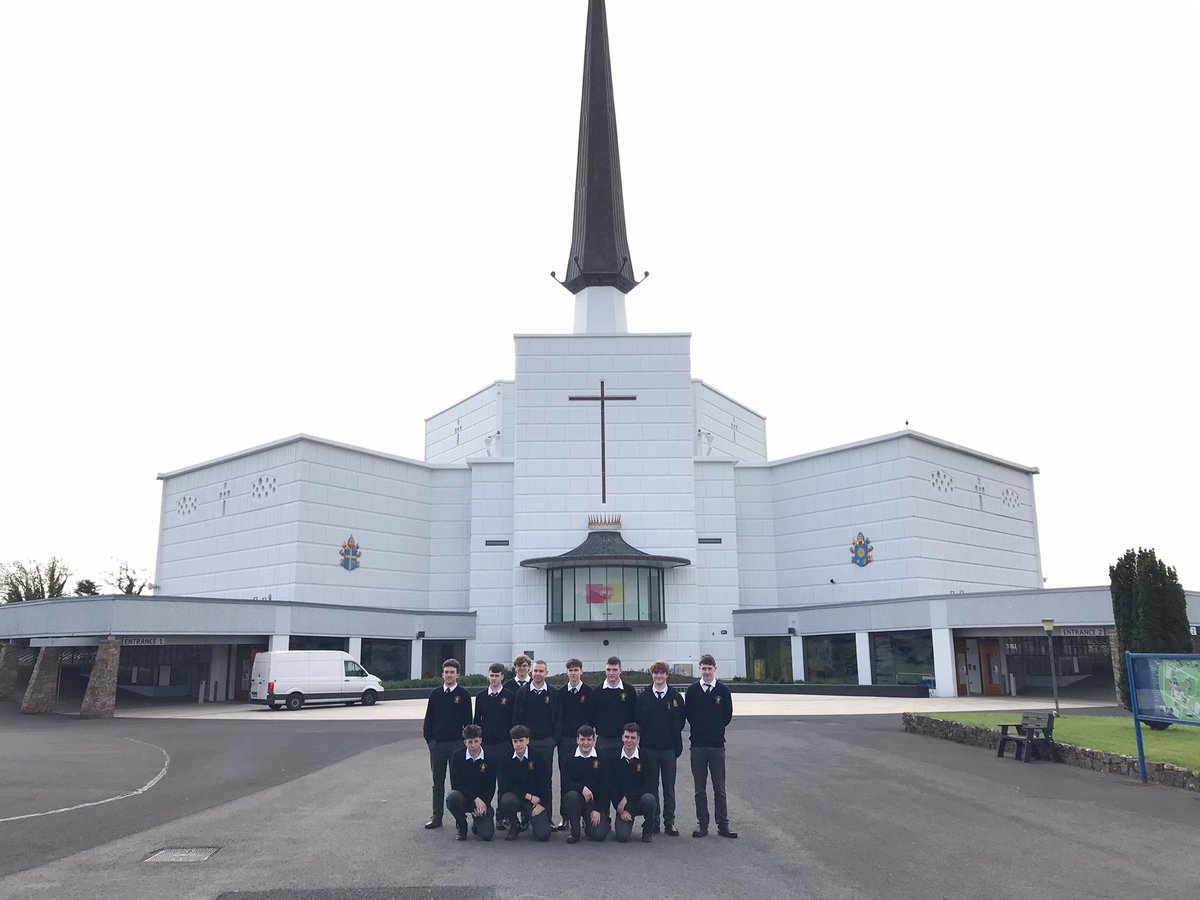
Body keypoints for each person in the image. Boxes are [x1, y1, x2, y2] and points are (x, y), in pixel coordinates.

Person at [684, 653, 738, 838]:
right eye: (703, 668)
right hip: (698, 746)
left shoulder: (723, 691)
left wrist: (715, 729)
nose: (706, 672)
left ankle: (723, 825)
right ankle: (703, 824)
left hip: (716, 746)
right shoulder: (692, 691)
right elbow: (689, 715)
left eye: (709, 668)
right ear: (699, 669)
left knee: (719, 788)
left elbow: (727, 716)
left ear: (715, 669)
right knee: (700, 788)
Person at [422, 657, 473, 829]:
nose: (449, 675)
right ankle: (437, 817)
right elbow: (429, 719)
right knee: (438, 782)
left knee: (458, 782)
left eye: (452, 672)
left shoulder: (464, 695)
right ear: (442, 674)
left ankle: (460, 819)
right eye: (446, 672)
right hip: (437, 745)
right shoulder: (435, 694)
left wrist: (465, 743)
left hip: (457, 745)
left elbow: (468, 722)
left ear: (458, 674)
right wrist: (430, 741)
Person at [635, 659, 685, 835]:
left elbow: (680, 722)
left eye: (662, 673)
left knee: (669, 788)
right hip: (649, 749)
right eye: (656, 673)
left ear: (667, 675)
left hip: (669, 750)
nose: (658, 676)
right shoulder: (643, 698)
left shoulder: (676, 698)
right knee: (651, 787)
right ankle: (653, 821)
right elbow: (638, 721)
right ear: (652, 675)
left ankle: (669, 822)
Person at [513, 659, 562, 828]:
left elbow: (558, 718)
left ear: (546, 673)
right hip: (528, 743)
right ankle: (526, 818)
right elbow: (517, 718)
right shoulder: (522, 693)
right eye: (535, 671)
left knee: (545, 780)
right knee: (526, 779)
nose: (538, 674)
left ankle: (546, 816)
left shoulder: (554, 694)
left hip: (547, 743)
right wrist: (522, 740)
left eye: (541, 671)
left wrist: (554, 739)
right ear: (530, 672)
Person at [474, 662, 516, 831]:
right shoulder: (481, 696)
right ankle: (480, 814)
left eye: (497, 675)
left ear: (502, 677)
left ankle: (501, 816)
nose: (494, 678)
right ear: (488, 676)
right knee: (484, 781)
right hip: (486, 747)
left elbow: (513, 722)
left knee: (503, 782)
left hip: (504, 745)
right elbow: (477, 722)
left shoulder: (510, 696)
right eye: (491, 675)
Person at [497, 724, 552, 842]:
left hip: (535, 801)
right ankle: (514, 825)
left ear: (527, 740)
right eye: (515, 741)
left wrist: (541, 803)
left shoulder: (538, 756)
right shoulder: (506, 759)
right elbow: (505, 785)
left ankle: (528, 818)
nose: (518, 744)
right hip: (517, 798)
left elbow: (546, 782)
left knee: (543, 836)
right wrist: (527, 796)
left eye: (521, 740)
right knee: (506, 800)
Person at [556, 657, 593, 824]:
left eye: (576, 670)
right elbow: (558, 717)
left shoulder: (589, 692)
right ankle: (566, 817)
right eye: (570, 670)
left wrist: (588, 740)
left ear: (581, 671)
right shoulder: (560, 693)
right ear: (567, 672)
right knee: (566, 779)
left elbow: (592, 716)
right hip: (565, 741)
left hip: (585, 742)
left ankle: (586, 814)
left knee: (587, 777)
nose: (573, 673)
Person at [445, 724, 496, 841]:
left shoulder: (490, 759)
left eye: (476, 741)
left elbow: (491, 786)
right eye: (470, 742)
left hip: (482, 801)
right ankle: (461, 825)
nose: (473, 745)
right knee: (452, 797)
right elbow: (456, 784)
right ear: (465, 742)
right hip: (464, 798)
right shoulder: (457, 756)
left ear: (481, 740)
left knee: (487, 835)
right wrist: (475, 799)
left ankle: (479, 820)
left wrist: (483, 803)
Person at [561, 724, 610, 843]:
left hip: (595, 803)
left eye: (589, 739)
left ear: (594, 740)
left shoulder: (602, 758)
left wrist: (597, 809)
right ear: (577, 740)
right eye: (582, 739)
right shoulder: (568, 758)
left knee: (599, 836)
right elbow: (565, 783)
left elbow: (606, 786)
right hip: (577, 799)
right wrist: (582, 788)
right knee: (571, 796)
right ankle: (575, 832)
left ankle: (590, 825)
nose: (586, 743)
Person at [610, 722, 658, 843]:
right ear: (622, 737)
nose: (629, 740)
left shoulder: (647, 758)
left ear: (638, 739)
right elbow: (612, 786)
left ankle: (648, 830)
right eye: (626, 737)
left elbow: (650, 786)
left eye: (633, 738)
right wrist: (620, 808)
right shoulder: (614, 758)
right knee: (622, 837)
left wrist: (627, 797)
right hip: (623, 806)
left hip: (640, 801)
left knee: (650, 799)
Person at [591, 656, 637, 758]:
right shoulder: (597, 692)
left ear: (620, 671)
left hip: (624, 740)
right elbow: (592, 716)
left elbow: (634, 715)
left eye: (614, 670)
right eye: (608, 669)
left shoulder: (629, 691)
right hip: (603, 740)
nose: (611, 673)